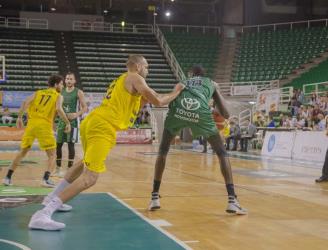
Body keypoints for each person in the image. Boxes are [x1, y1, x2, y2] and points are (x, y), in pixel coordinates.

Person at [28, 54, 184, 230]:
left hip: (93, 121)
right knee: (90, 178)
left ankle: (52, 197)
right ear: (139, 66)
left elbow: (150, 98)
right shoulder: (135, 77)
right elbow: (158, 100)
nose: (148, 70)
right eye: (147, 66)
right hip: (102, 127)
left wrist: (164, 97)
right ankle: (43, 214)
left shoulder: (123, 80)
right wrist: (177, 91)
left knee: (83, 162)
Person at [148, 65, 247, 215]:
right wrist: (216, 91)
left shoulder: (183, 81)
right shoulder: (211, 83)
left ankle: (155, 197)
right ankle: (232, 200)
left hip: (178, 110)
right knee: (222, 153)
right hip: (200, 110)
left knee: (163, 151)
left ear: (190, 74)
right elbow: (226, 114)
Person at [2, 75, 71, 188]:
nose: (62, 86)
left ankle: (7, 178)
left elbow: (25, 102)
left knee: (22, 152)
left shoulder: (38, 92)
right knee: (53, 154)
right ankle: (46, 179)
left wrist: (19, 117)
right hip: (43, 125)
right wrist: (67, 122)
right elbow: (58, 109)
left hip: (31, 124)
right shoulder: (58, 95)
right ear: (56, 85)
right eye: (61, 84)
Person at [55, 72, 87, 177]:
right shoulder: (61, 91)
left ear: (74, 81)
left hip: (73, 122)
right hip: (61, 121)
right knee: (58, 145)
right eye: (67, 79)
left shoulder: (79, 92)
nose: (69, 80)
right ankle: (57, 168)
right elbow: (57, 108)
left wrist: (76, 114)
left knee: (70, 145)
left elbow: (85, 108)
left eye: (71, 79)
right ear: (65, 80)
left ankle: (69, 169)